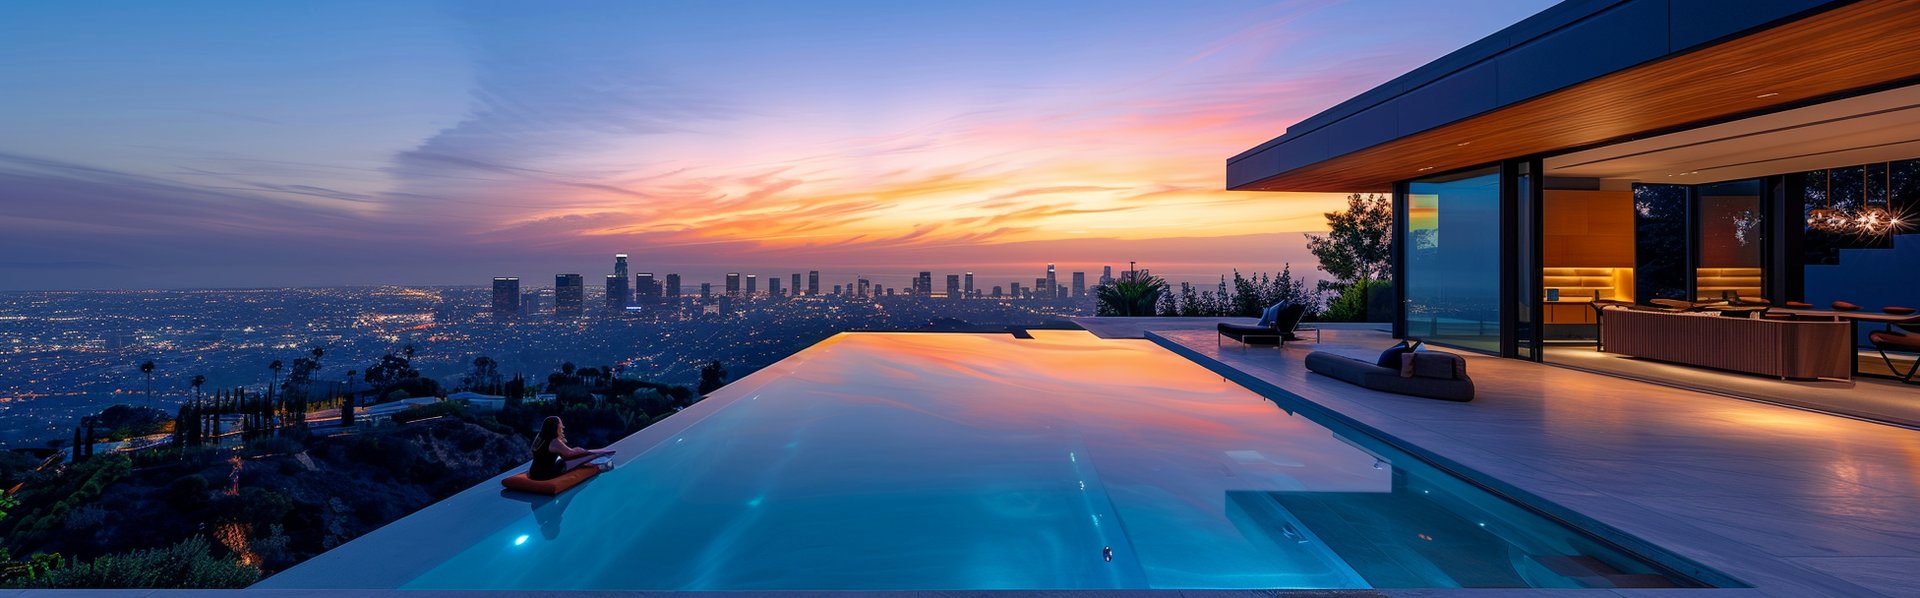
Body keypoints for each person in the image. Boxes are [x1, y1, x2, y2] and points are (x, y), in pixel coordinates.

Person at [528, 416, 613, 481]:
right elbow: (570, 454)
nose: (562, 428)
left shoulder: (540, 438)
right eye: (561, 427)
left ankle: (595, 457)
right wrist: (583, 450)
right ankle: (601, 457)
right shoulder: (554, 441)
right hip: (546, 475)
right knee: (588, 456)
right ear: (555, 428)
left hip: (533, 473)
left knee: (564, 460)